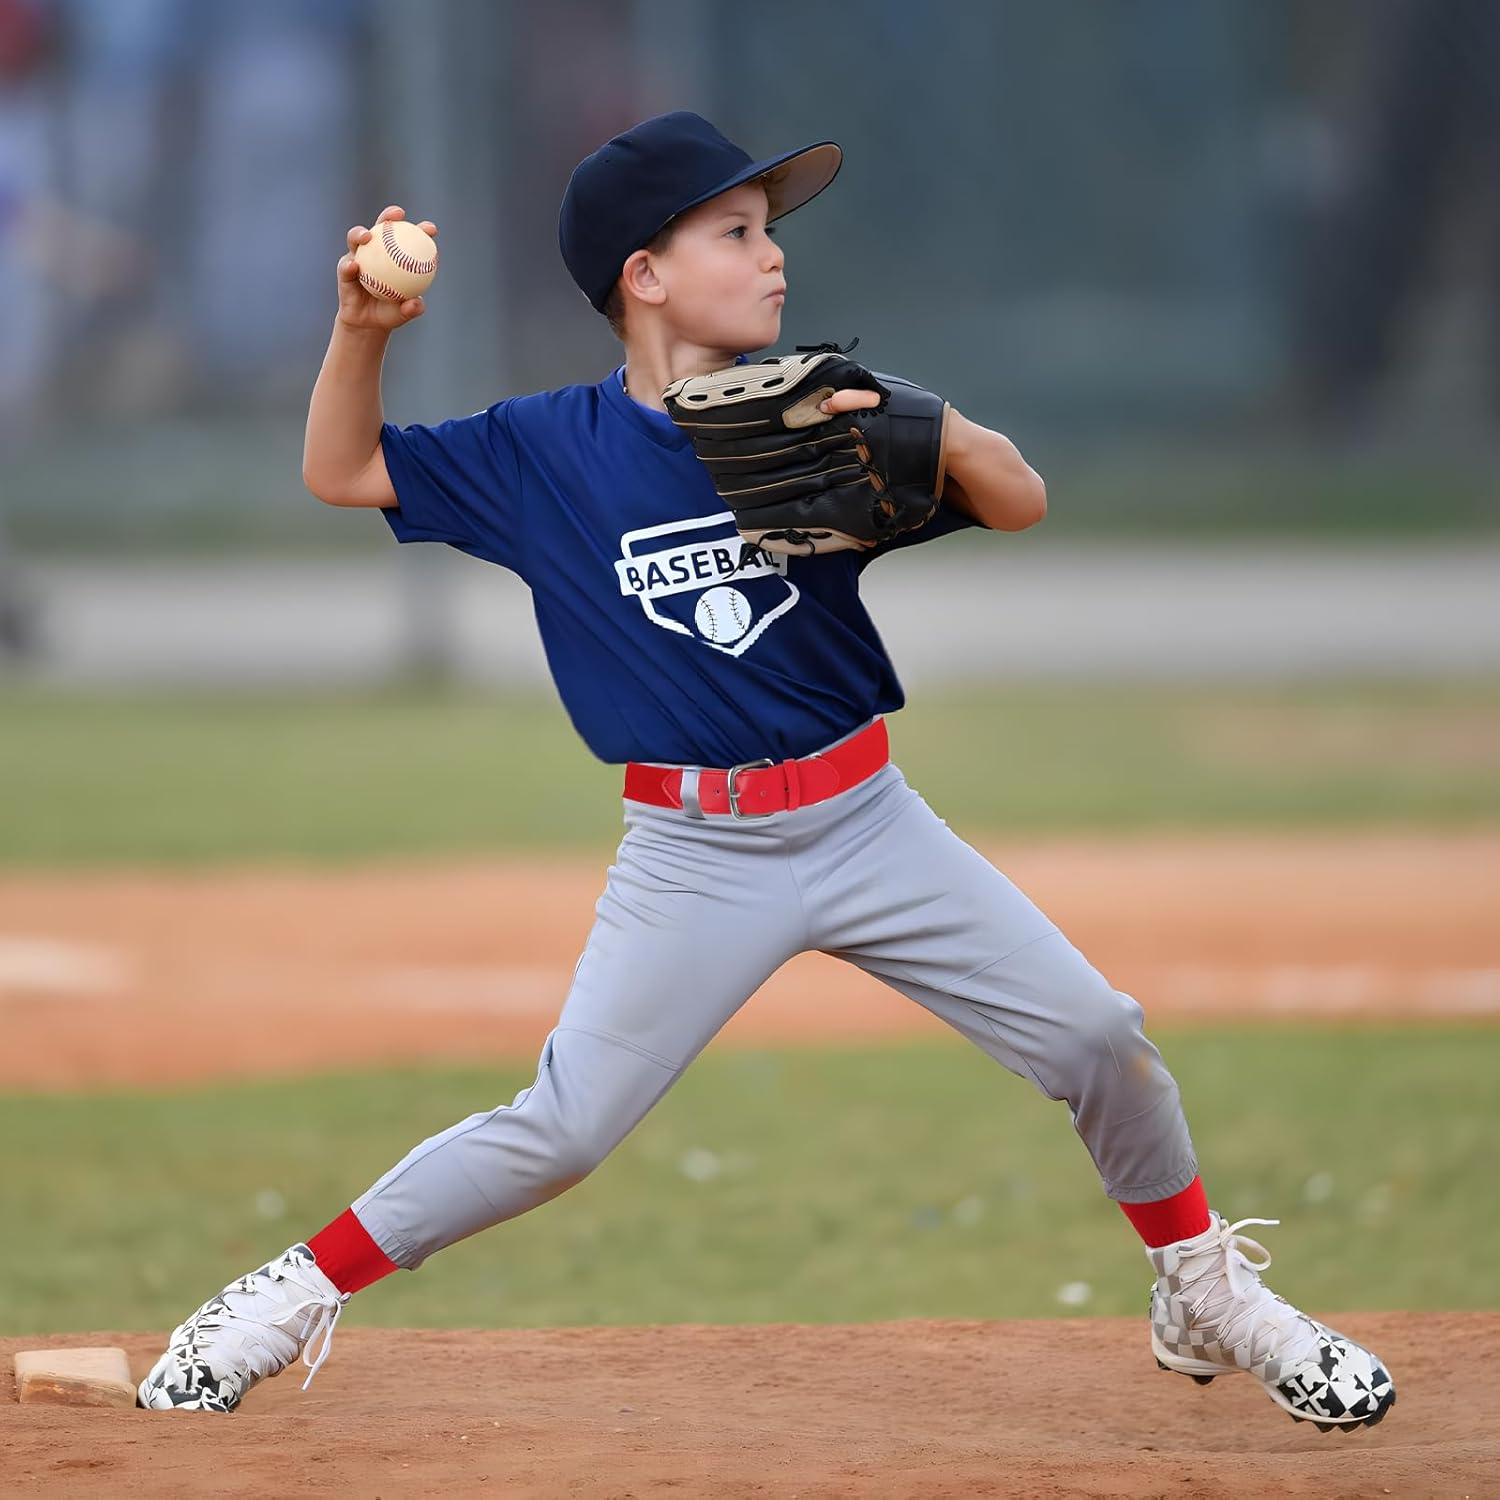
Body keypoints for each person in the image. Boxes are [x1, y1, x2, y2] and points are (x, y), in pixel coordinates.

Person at [137, 112, 1395, 1432]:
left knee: (1097, 1037)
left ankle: (1202, 1291)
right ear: (644, 274)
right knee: (564, 1129)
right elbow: (341, 469)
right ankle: (287, 1294)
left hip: (867, 822)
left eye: (771, 232)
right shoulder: (545, 453)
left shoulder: (813, 413)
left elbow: (1020, 499)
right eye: (734, 233)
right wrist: (364, 330)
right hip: (695, 855)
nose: (773, 256)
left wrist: (923, 424)